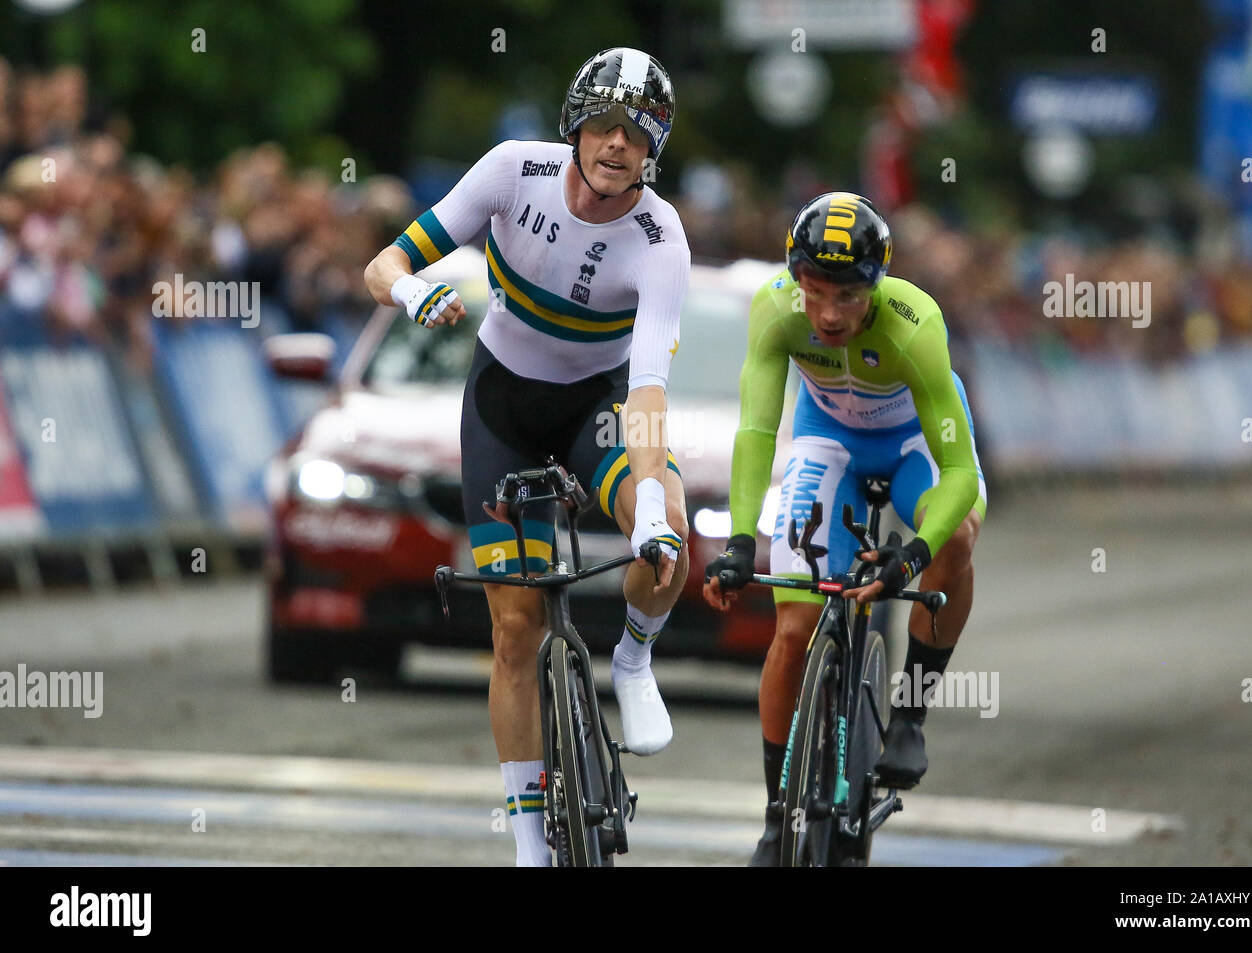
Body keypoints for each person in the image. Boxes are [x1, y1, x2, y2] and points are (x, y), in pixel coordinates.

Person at [363, 48, 691, 867]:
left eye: (638, 134)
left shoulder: (661, 237)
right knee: (515, 629)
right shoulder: (514, 170)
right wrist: (412, 292)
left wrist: (649, 505)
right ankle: (528, 845)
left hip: (600, 406)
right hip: (503, 405)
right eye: (605, 126)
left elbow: (648, 388)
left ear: (655, 151)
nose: (618, 145)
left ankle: (634, 658)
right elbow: (385, 262)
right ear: (575, 125)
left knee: (674, 529)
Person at [702, 192, 987, 866]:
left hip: (914, 446)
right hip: (827, 442)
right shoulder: (775, 309)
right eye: (816, 291)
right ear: (796, 277)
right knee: (793, 631)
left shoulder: (915, 326)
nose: (829, 313)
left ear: (877, 285)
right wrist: (742, 541)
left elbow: (960, 473)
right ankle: (778, 815)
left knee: (959, 536)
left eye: (848, 296)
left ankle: (910, 714)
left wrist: (912, 556)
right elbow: (756, 430)